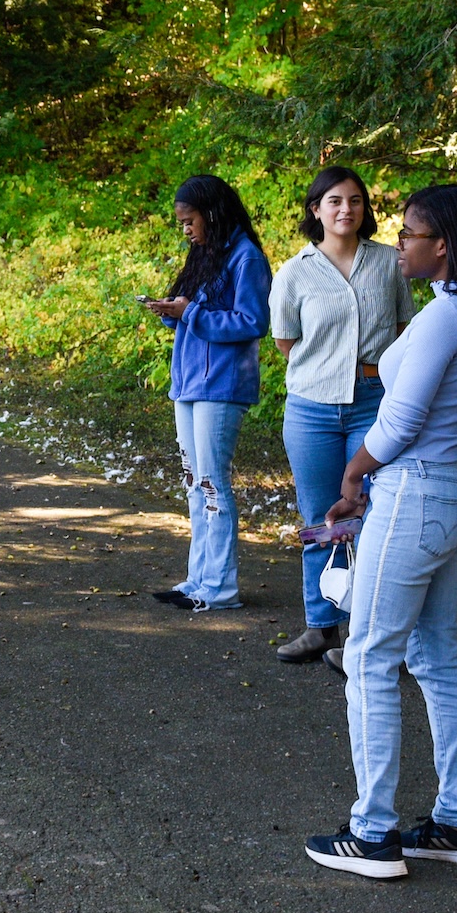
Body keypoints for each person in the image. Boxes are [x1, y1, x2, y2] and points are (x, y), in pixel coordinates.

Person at [303, 184, 457, 879]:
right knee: (434, 660)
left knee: (367, 657)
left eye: (409, 233)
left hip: (414, 494)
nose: (398, 243)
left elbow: (398, 423)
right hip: (441, 494)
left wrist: (352, 477)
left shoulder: (443, 318)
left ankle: (373, 834)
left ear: (443, 245)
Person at [267, 165, 411, 664]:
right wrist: (327, 372)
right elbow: (286, 341)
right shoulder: (295, 272)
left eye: (354, 200)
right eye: (334, 201)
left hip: (374, 403)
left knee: (368, 516)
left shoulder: (389, 263)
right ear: (316, 210)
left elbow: (402, 329)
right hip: (311, 408)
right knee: (319, 517)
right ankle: (320, 625)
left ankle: (361, 633)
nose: (346, 209)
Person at [147, 175, 272, 612]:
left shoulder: (247, 259)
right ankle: (198, 579)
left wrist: (191, 312)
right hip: (188, 384)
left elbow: (252, 322)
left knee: (212, 484)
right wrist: (171, 312)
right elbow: (191, 316)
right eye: (181, 222)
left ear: (212, 213)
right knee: (193, 484)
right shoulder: (205, 255)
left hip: (221, 386)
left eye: (189, 220)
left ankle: (220, 588)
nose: (185, 229)